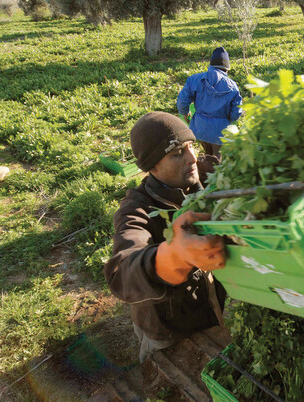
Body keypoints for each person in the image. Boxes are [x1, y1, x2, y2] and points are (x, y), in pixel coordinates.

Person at [104, 111, 227, 363]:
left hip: (214, 311)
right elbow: (122, 275)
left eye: (190, 146)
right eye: (176, 153)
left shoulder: (208, 175)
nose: (192, 158)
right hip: (168, 331)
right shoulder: (136, 211)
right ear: (152, 167)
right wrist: (174, 257)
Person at [176, 46, 243, 160]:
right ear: (227, 69)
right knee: (217, 161)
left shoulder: (194, 79)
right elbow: (237, 111)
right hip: (220, 131)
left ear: (210, 65)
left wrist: (186, 114)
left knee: (207, 154)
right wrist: (228, 121)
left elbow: (182, 101)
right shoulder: (232, 86)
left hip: (199, 129)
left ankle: (203, 173)